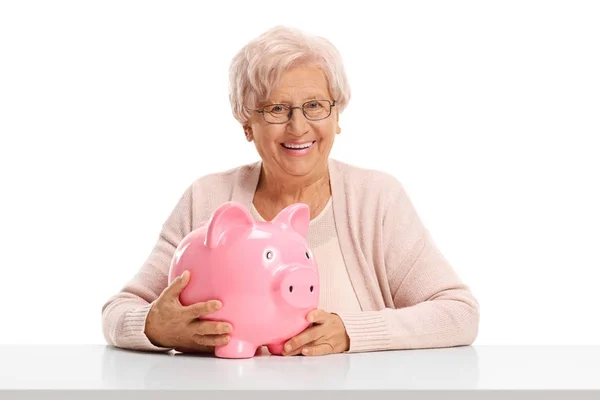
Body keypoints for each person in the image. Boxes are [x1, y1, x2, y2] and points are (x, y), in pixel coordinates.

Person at [101, 25, 480, 356]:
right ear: (247, 124)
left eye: (315, 106)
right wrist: (153, 328)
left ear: (336, 117)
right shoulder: (207, 199)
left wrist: (351, 332)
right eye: (277, 109)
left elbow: (459, 313)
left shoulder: (376, 199)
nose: (298, 127)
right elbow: (118, 311)